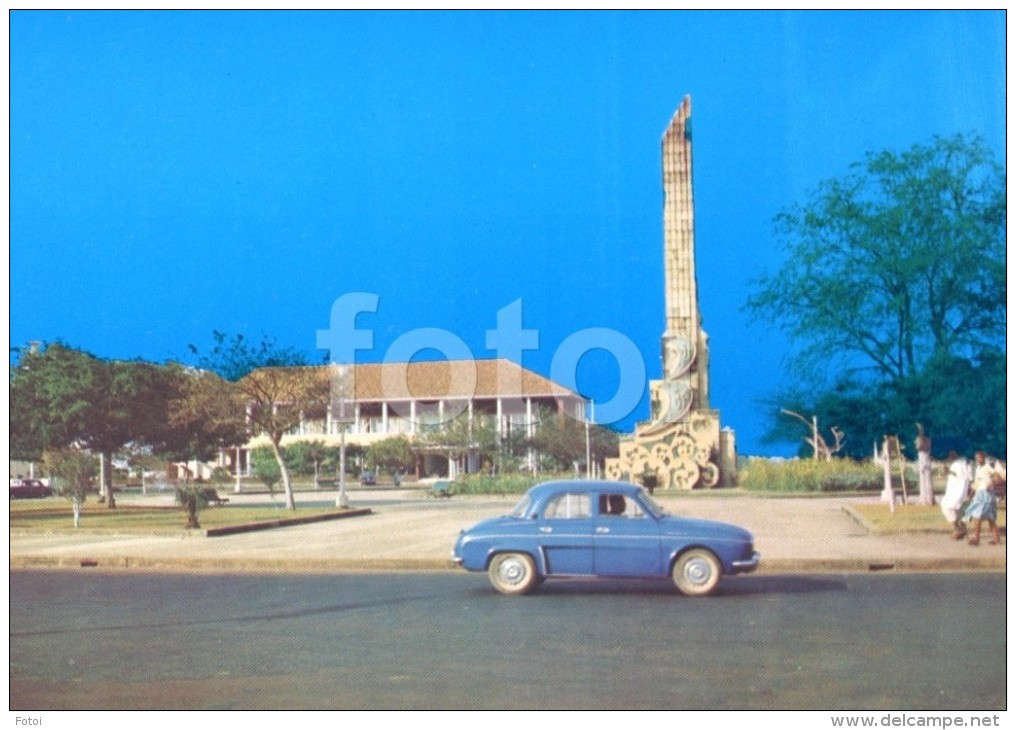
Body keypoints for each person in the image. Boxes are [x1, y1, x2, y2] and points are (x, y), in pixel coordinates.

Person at [963, 451, 1003, 546]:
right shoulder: (978, 469)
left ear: (984, 458)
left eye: (979, 458)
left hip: (986, 494)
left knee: (978, 516)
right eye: (976, 458)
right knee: (990, 518)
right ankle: (996, 539)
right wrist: (970, 495)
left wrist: (992, 483)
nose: (978, 460)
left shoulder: (988, 467)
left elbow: (999, 478)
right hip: (979, 494)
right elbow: (976, 484)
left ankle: (976, 538)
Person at [940, 451, 971, 539]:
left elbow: (963, 475)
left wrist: (949, 471)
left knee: (946, 507)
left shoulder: (960, 463)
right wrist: (948, 472)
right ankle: (962, 530)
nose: (950, 455)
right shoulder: (961, 462)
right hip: (956, 490)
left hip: (958, 491)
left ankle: (957, 529)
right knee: (957, 510)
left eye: (952, 453)